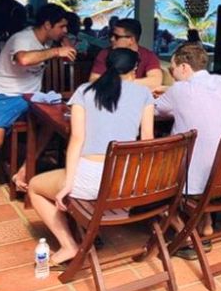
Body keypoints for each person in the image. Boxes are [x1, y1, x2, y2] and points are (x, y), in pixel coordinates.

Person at [27, 48, 154, 266]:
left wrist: (68, 184)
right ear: (134, 69)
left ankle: (68, 245)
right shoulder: (144, 94)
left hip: (90, 181)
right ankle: (85, 232)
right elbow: (148, 140)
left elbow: (76, 139)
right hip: (125, 183)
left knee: (34, 186)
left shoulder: (85, 91)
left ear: (107, 66)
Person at [0, 4, 75, 222]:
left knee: (53, 122)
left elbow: (69, 50)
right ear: (47, 25)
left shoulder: (48, 41)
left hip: (31, 99)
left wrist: (63, 44)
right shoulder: (22, 38)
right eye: (62, 26)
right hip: (1, 96)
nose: (65, 30)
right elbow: (23, 60)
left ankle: (23, 172)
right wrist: (57, 51)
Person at [154, 42, 221, 253]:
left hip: (200, 180)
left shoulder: (180, 89)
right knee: (203, 152)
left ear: (184, 67)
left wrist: (164, 93)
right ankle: (207, 223)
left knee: (155, 176)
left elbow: (153, 110)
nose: (172, 75)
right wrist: (171, 90)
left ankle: (185, 235)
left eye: (172, 69)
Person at [89, 18, 162, 90]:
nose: (112, 39)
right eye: (111, 35)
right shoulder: (105, 54)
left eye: (117, 37)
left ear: (131, 40)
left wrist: (122, 83)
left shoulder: (148, 56)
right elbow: (94, 80)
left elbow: (155, 81)